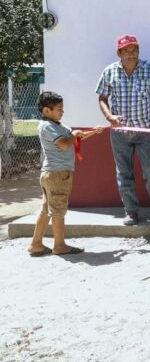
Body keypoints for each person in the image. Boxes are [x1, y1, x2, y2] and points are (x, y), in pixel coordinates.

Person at [96, 34, 150, 226]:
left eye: (134, 50)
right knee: (123, 173)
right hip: (120, 133)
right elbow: (102, 98)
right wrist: (109, 117)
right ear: (119, 53)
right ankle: (131, 212)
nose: (131, 54)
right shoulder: (109, 71)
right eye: (126, 51)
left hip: (145, 131)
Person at [29, 92, 105, 257]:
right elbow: (64, 144)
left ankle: (36, 244)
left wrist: (95, 131)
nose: (62, 111)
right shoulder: (47, 126)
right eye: (59, 109)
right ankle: (59, 245)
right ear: (46, 110)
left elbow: (76, 137)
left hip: (52, 174)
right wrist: (73, 135)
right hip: (57, 174)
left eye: (62, 108)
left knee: (46, 210)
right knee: (58, 211)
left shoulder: (57, 125)